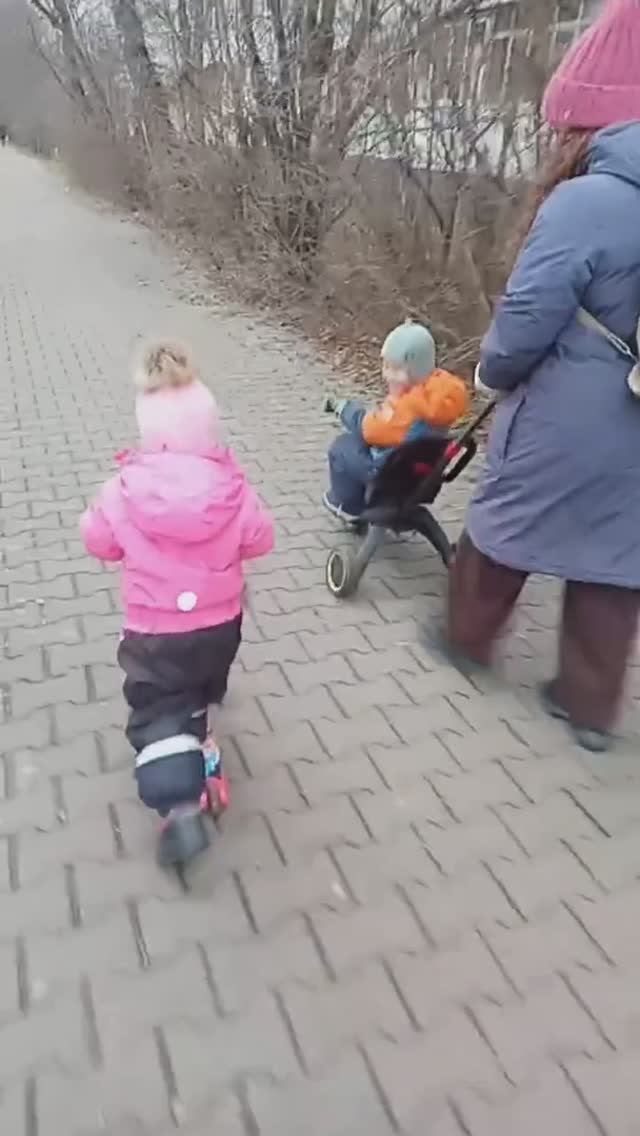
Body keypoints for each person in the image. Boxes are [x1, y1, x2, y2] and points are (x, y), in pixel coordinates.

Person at [434, 0, 640, 753]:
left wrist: (493, 370)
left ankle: (464, 640)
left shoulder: (588, 202)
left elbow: (528, 313)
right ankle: (588, 709)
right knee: (617, 557)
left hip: (567, 412)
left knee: (504, 523)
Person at [80, 342, 274, 865]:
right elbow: (261, 538)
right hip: (220, 626)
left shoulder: (123, 490)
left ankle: (182, 808)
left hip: (155, 634)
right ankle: (203, 736)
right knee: (200, 685)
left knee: (158, 710)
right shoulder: (233, 488)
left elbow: (98, 540)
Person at [323, 320, 469, 522]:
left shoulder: (409, 409)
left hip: (386, 474)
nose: (386, 375)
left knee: (342, 446)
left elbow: (369, 429)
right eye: (386, 366)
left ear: (414, 371)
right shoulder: (439, 397)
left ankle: (349, 508)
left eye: (395, 369)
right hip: (420, 476)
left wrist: (344, 409)